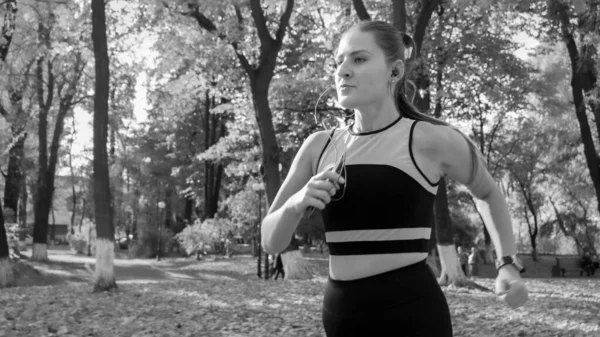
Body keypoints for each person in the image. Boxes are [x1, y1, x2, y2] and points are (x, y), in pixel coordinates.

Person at [260, 20, 528, 337]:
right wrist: (294, 204)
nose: (343, 71)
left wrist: (506, 263)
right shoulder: (319, 146)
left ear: (395, 71)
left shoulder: (430, 139)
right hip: (340, 317)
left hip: (412, 315)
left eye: (359, 59)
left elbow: (488, 194)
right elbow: (270, 241)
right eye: (339, 61)